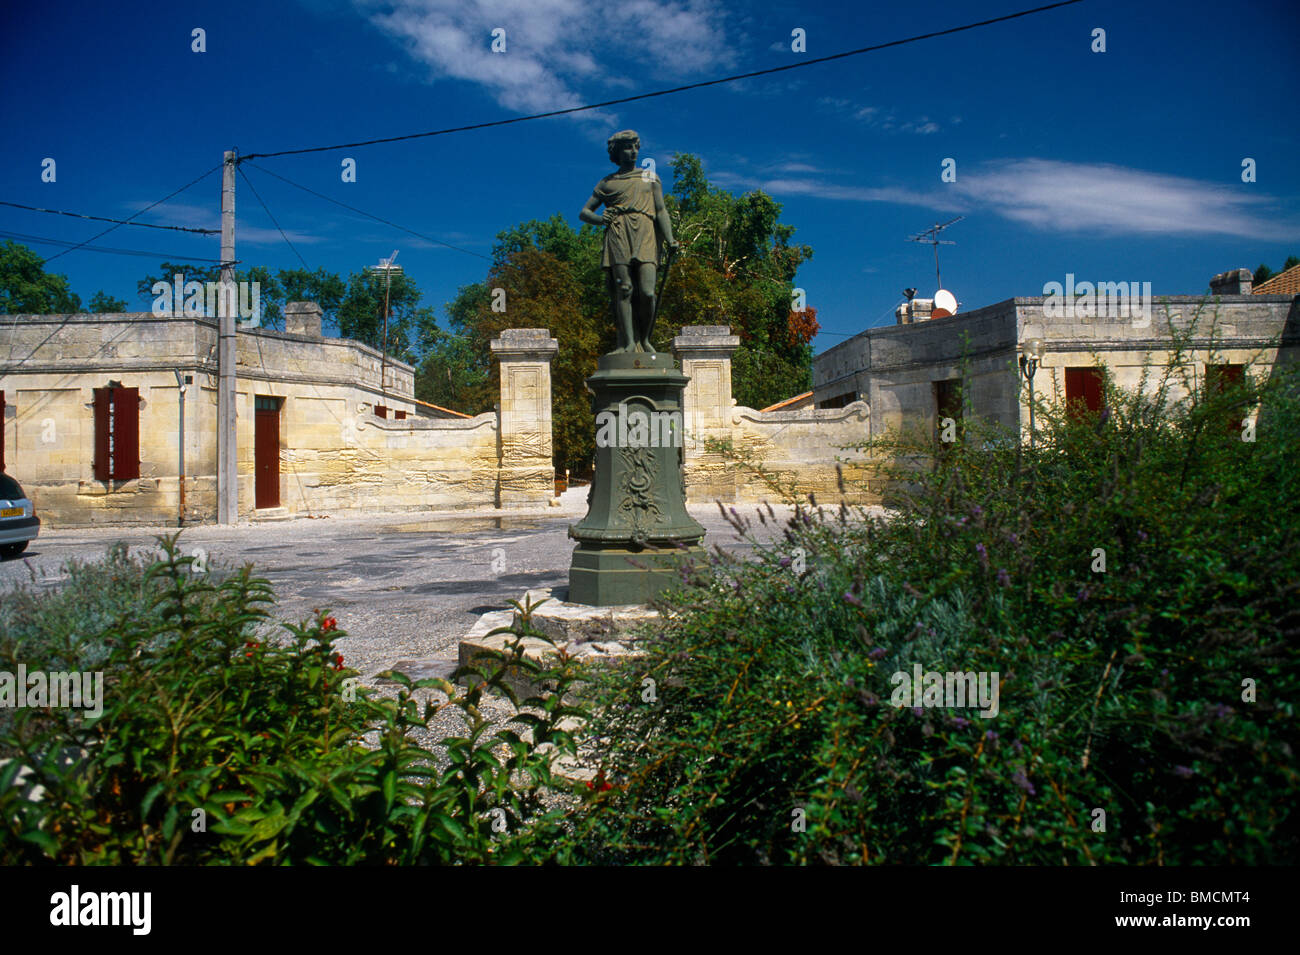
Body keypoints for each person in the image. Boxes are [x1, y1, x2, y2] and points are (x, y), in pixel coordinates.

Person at [579, 130, 679, 353]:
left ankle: (644, 339)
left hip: (645, 232)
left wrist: (670, 239)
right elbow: (584, 212)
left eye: (636, 147)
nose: (633, 152)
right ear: (617, 151)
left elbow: (661, 210)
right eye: (627, 147)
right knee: (624, 289)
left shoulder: (649, 177)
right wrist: (599, 218)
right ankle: (627, 343)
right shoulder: (607, 183)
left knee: (647, 292)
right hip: (618, 232)